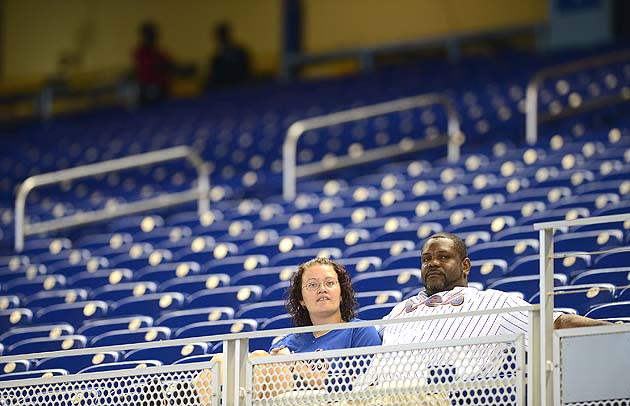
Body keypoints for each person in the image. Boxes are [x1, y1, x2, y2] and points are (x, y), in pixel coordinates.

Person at [193, 257, 381, 402]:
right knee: (221, 361)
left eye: (330, 283)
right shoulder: (290, 341)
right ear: (301, 300)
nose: (322, 289)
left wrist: (295, 365)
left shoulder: (360, 332)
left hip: (325, 401)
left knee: (261, 360)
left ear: (341, 294)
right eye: (312, 285)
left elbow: (364, 384)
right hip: (277, 399)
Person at [380, 232, 611, 347]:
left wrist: (620, 331)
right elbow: (362, 339)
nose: (433, 263)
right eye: (426, 259)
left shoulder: (490, 302)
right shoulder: (401, 308)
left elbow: (557, 322)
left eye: (443, 257)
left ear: (465, 266)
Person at [132, 21, 175, 104]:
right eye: (150, 35)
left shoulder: (159, 52)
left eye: (154, 35)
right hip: (148, 89)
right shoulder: (140, 52)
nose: (153, 37)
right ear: (144, 36)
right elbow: (150, 68)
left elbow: (170, 63)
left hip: (163, 89)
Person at [206, 22, 251, 89]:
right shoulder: (216, 59)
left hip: (241, 86)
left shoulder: (240, 52)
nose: (223, 38)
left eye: (224, 35)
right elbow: (214, 77)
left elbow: (247, 70)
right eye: (221, 36)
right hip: (224, 89)